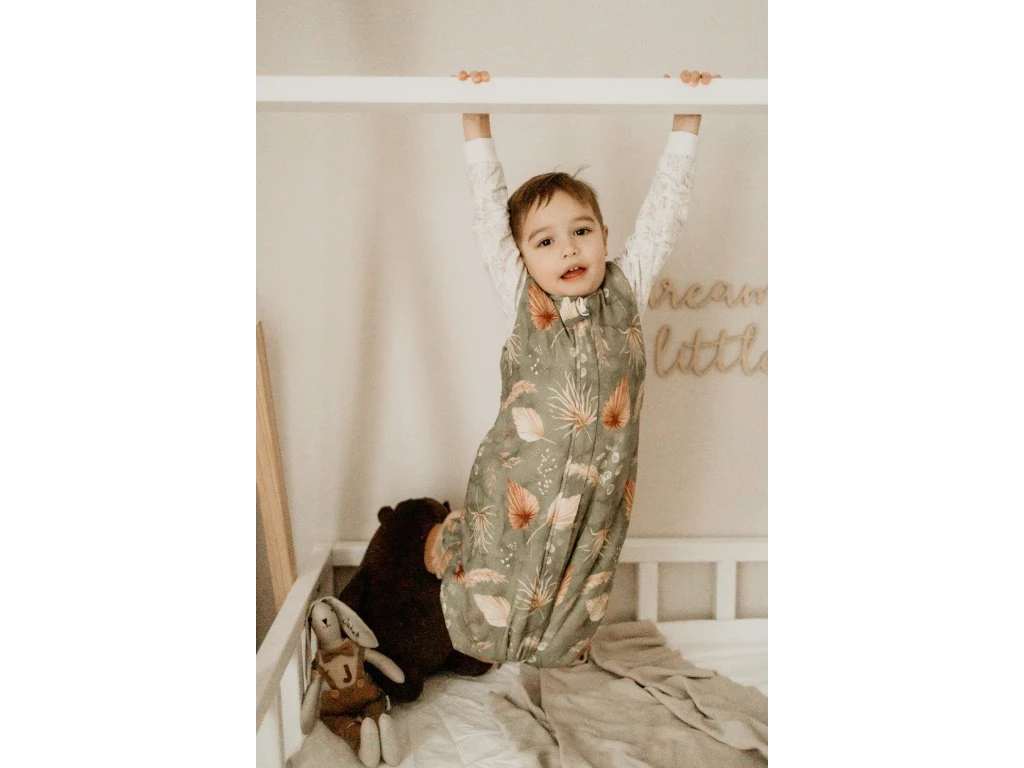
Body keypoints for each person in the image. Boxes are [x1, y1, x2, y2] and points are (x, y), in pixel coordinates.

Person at [431, 69, 717, 667]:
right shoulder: (522, 296)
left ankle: (549, 671)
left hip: (599, 487)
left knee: (578, 597)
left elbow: (665, 211)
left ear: (604, 237)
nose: (567, 248)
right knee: (496, 577)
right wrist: (474, 117)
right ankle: (444, 541)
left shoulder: (626, 289)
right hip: (521, 477)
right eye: (544, 241)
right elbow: (487, 212)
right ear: (520, 256)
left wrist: (688, 116)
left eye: (581, 231)